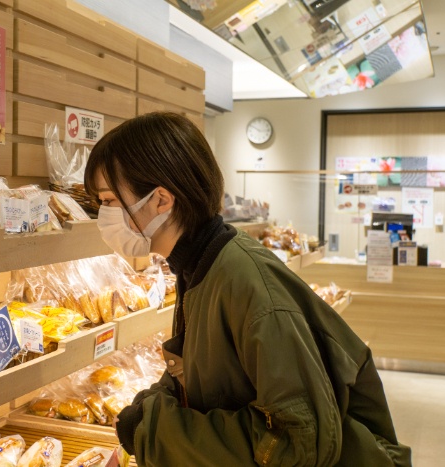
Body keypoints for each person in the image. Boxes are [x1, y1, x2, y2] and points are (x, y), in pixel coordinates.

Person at [83, 112, 411, 466]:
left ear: (161, 200)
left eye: (108, 201)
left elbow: (296, 444)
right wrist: (154, 402)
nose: (102, 215)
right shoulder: (201, 266)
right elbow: (216, 378)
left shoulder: (245, 283)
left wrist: (154, 431)